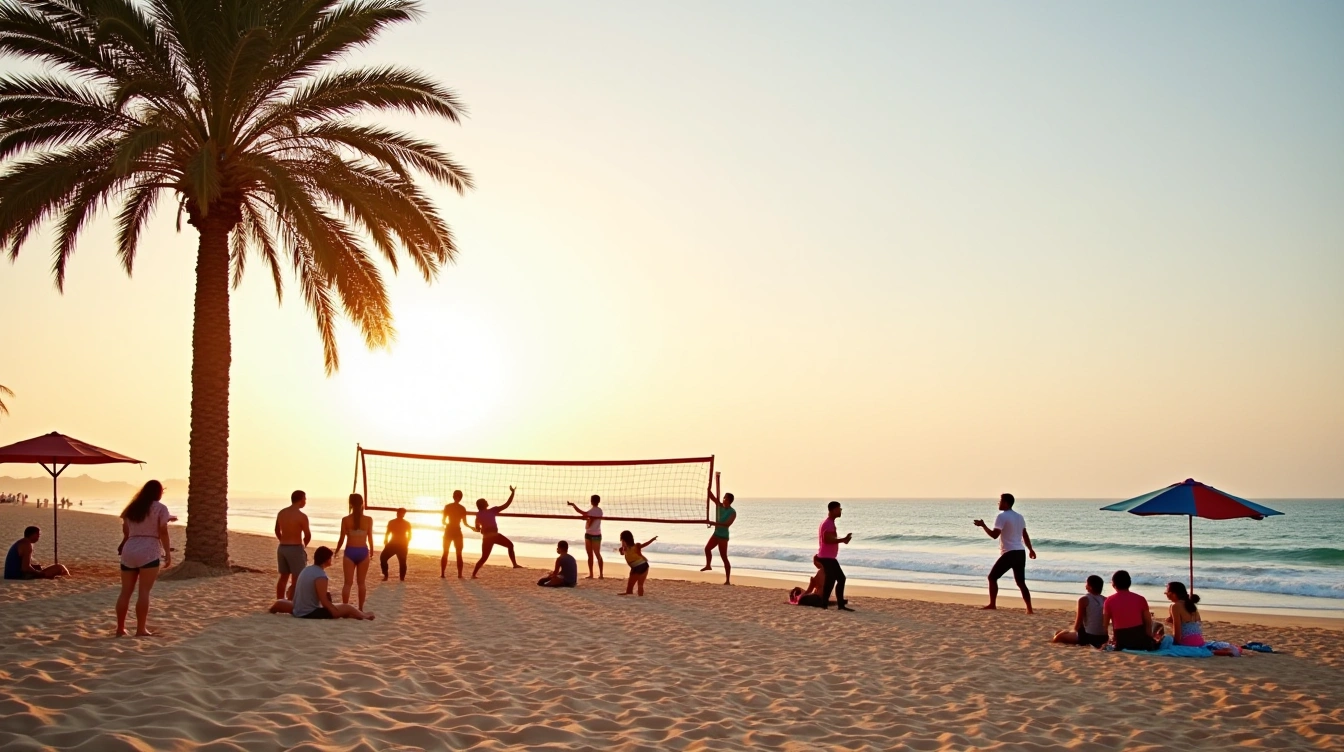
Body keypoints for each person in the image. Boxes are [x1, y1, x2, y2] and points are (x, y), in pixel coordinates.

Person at [115, 480, 172, 637]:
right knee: (144, 592)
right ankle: (140, 629)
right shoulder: (161, 508)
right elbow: (163, 530)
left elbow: (126, 532)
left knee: (125, 592)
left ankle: (120, 629)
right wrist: (167, 552)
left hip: (130, 549)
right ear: (158, 492)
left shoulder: (132, 508)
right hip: (149, 550)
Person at [269, 546, 375, 620]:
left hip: (297, 609)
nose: (331, 560)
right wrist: (335, 611)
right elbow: (324, 602)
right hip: (309, 612)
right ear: (327, 560)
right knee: (347, 607)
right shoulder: (321, 575)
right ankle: (364, 616)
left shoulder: (306, 569)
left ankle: (354, 614)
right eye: (330, 558)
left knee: (280, 602)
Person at [974, 492, 1036, 614]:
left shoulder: (1002, 516)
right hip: (1020, 552)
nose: (998, 503)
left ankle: (992, 604)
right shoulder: (1019, 517)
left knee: (992, 577)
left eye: (1000, 501)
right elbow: (1025, 535)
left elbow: (994, 535)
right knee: (1021, 582)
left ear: (1006, 503)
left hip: (1010, 553)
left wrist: (983, 525)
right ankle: (1029, 609)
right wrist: (1030, 549)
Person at [1103, 569, 1163, 651]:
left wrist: (1108, 640)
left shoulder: (1109, 601)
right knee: (1158, 626)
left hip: (1121, 641)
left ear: (1113, 584)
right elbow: (1148, 622)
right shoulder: (1140, 599)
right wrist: (1149, 638)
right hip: (1140, 641)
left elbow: (1105, 624)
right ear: (1129, 583)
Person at [471, 486, 522, 578]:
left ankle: (473, 574)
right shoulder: (492, 510)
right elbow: (506, 504)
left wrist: (478, 529)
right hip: (494, 536)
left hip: (487, 537)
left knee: (484, 557)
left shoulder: (478, 514)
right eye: (485, 501)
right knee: (510, 546)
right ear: (483, 504)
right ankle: (514, 564)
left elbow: (477, 528)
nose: (487, 501)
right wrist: (512, 493)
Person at [335, 493, 374, 610]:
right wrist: (372, 551)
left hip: (350, 552)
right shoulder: (368, 519)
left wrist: (336, 551)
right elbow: (370, 537)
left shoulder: (346, 519)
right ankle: (360, 608)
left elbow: (341, 538)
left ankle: (345, 608)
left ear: (350, 504)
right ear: (362, 503)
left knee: (347, 583)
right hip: (363, 551)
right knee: (361, 583)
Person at [274, 490, 312, 600]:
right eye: (305, 499)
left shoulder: (282, 513)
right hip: (295, 547)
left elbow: (277, 530)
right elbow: (308, 535)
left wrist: (282, 540)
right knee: (297, 577)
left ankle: (280, 600)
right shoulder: (302, 516)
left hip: (282, 547)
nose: (305, 501)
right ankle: (292, 601)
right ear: (301, 500)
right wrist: (303, 545)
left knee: (283, 577)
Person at [817, 501, 854, 611]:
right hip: (826, 557)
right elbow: (827, 540)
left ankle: (828, 604)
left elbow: (831, 539)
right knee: (838, 578)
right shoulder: (828, 523)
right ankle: (835, 604)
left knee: (834, 579)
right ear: (833, 510)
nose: (841, 510)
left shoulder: (829, 522)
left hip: (828, 557)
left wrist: (844, 540)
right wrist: (843, 540)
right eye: (839, 509)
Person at [1052, 575, 1108, 647]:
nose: (1085, 586)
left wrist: (1073, 631)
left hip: (1088, 637)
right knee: (1060, 632)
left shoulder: (1084, 599)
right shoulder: (1106, 600)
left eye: (1086, 584)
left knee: (1058, 636)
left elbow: (1079, 622)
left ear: (1090, 587)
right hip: (1103, 637)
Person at [4, 526, 69, 580]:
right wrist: (38, 573)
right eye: (38, 535)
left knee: (41, 568)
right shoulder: (26, 545)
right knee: (59, 567)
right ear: (33, 534)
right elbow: (25, 568)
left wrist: (34, 567)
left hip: (10, 575)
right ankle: (68, 579)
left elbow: (21, 563)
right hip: (17, 576)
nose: (38, 537)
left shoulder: (21, 542)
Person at [700, 491, 736, 585]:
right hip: (716, 534)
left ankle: (727, 580)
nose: (723, 499)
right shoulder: (719, 506)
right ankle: (708, 565)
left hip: (723, 536)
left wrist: (713, 523)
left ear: (729, 500)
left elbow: (727, 524)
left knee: (724, 557)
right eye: (723, 498)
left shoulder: (732, 512)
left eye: (725, 498)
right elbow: (712, 497)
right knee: (707, 549)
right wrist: (708, 489)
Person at [566, 495, 605, 579]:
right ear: (598, 501)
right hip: (594, 534)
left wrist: (573, 505)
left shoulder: (593, 511)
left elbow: (582, 513)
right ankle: (600, 574)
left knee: (591, 555)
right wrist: (588, 519)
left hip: (591, 534)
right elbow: (591, 518)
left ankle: (592, 574)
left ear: (591, 501)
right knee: (597, 554)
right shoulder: (600, 511)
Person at [1165, 581, 1205, 647]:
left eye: (1167, 592)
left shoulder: (1175, 606)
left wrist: (1175, 644)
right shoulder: (1191, 605)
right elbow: (1198, 625)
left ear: (1174, 594)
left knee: (1166, 640)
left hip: (1187, 642)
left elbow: (1177, 630)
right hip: (1199, 641)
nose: (1165, 594)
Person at [618, 530, 657, 596]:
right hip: (640, 566)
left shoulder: (636, 546)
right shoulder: (624, 549)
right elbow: (622, 554)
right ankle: (640, 597)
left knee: (637, 586)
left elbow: (645, 544)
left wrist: (652, 540)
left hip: (640, 566)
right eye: (622, 541)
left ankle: (636, 595)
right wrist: (622, 550)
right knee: (638, 586)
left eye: (623, 541)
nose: (622, 542)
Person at [441, 490, 469, 579]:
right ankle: (459, 574)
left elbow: (443, 521)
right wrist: (472, 527)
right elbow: (465, 523)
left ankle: (443, 574)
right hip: (456, 530)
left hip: (450, 530)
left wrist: (448, 524)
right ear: (461, 498)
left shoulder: (448, 507)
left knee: (446, 552)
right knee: (458, 553)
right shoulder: (462, 508)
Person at [381, 508, 412, 581]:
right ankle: (385, 575)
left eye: (402, 513)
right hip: (392, 544)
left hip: (402, 545)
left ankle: (402, 578)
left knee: (402, 561)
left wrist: (407, 542)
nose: (399, 514)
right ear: (396, 513)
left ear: (404, 514)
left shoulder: (407, 523)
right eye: (398, 513)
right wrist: (385, 540)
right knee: (383, 558)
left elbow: (410, 535)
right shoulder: (391, 522)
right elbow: (387, 532)